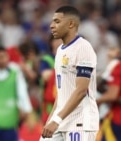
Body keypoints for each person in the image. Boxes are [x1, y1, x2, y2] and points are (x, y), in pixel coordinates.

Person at [40, 6, 99, 140]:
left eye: (57, 21)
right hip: (61, 121)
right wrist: (51, 121)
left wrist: (57, 120)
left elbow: (81, 90)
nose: (51, 25)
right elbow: (61, 95)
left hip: (80, 122)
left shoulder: (83, 48)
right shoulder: (60, 50)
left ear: (71, 24)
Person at [40, 35, 62, 125]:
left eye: (61, 40)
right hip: (50, 101)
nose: (58, 42)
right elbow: (44, 75)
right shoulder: (47, 59)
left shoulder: (68, 57)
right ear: (51, 42)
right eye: (55, 40)